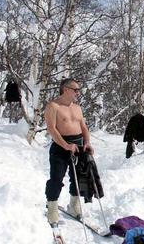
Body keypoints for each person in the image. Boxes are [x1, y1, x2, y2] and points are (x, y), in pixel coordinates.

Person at [44, 78, 94, 225]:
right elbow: (51, 129)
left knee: (79, 178)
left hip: (79, 146)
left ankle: (74, 205)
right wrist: (66, 145)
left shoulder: (77, 107)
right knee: (56, 179)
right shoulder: (53, 106)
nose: (78, 93)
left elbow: (83, 127)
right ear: (65, 89)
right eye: (75, 90)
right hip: (61, 146)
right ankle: (52, 207)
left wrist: (87, 142)